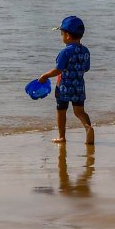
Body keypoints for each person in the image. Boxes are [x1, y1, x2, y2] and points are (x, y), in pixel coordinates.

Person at [38, 15, 94, 145]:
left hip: (63, 87)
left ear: (67, 36)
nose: (61, 36)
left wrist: (45, 75)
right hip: (79, 87)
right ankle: (88, 128)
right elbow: (86, 68)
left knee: (61, 110)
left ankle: (62, 137)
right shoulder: (85, 51)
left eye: (62, 33)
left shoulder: (65, 52)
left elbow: (58, 70)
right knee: (79, 112)